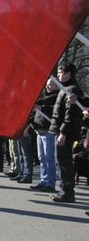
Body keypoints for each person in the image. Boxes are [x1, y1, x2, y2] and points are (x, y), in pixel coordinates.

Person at [49, 63, 83, 203]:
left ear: (69, 73)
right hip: (61, 131)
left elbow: (70, 115)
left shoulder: (72, 90)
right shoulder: (65, 89)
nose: (58, 75)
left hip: (66, 134)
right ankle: (64, 189)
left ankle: (68, 192)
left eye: (61, 72)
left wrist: (63, 132)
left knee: (65, 162)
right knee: (61, 162)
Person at [29, 78, 59, 192]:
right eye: (47, 85)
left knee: (49, 157)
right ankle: (44, 180)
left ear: (56, 86)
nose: (47, 87)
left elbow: (55, 111)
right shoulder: (44, 98)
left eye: (50, 85)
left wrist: (42, 107)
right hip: (40, 131)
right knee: (42, 158)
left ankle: (50, 183)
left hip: (49, 130)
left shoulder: (56, 97)